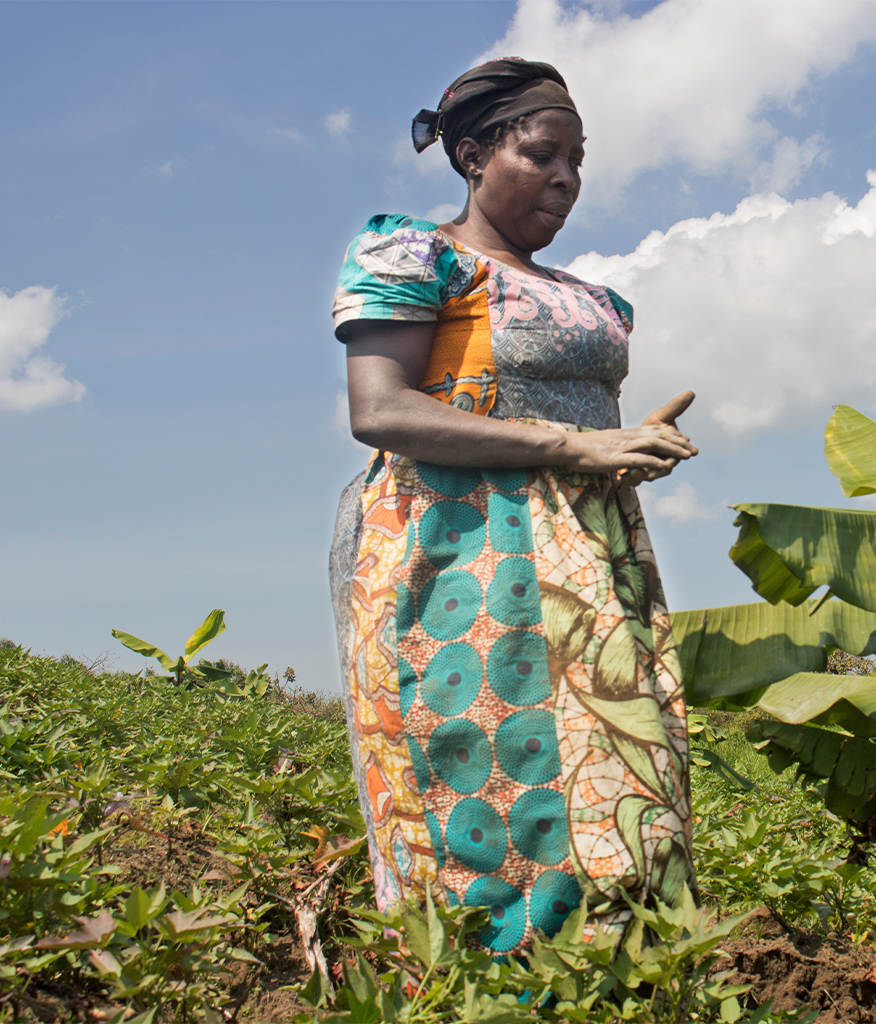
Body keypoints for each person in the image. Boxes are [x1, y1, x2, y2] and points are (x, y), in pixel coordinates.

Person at [327, 58, 697, 957]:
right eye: (542, 153)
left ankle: (617, 993)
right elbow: (381, 411)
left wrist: (621, 452)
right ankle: (488, 995)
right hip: (458, 555)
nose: (566, 178)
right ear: (470, 155)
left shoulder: (591, 296)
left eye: (578, 160)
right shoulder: (417, 254)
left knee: (625, 790)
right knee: (487, 783)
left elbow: (579, 432)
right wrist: (575, 446)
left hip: (591, 558)